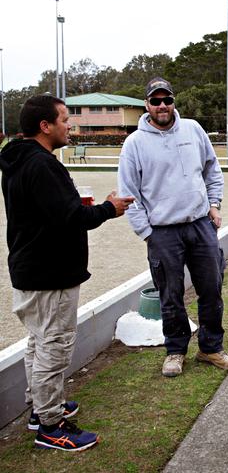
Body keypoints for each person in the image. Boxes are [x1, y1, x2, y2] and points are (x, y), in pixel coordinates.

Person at [0, 95, 134, 451]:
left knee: (39, 343)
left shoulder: (20, 160)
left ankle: (40, 407)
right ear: (45, 126)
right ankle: (50, 425)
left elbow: (56, 212)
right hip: (48, 274)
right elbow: (71, 218)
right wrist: (110, 208)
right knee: (53, 347)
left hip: (34, 270)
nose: (69, 125)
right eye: (64, 119)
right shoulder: (41, 165)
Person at [118, 77, 228, 377]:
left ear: (174, 101)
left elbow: (212, 168)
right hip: (162, 232)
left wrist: (214, 204)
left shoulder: (193, 129)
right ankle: (175, 351)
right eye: (156, 101)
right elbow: (128, 193)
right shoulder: (134, 143)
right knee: (170, 295)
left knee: (211, 289)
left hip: (200, 225)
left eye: (167, 100)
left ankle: (211, 348)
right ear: (146, 104)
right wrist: (147, 233)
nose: (162, 106)